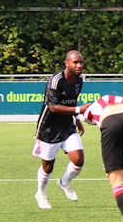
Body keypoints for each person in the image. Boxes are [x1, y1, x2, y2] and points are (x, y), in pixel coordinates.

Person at [32, 50, 91, 209]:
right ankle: (41, 193)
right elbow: (52, 107)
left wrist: (77, 119)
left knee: (78, 159)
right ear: (67, 64)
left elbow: (73, 101)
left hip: (67, 126)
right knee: (48, 166)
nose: (79, 65)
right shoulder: (56, 80)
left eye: (81, 62)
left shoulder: (79, 80)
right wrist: (78, 110)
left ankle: (64, 182)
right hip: (49, 128)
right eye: (75, 62)